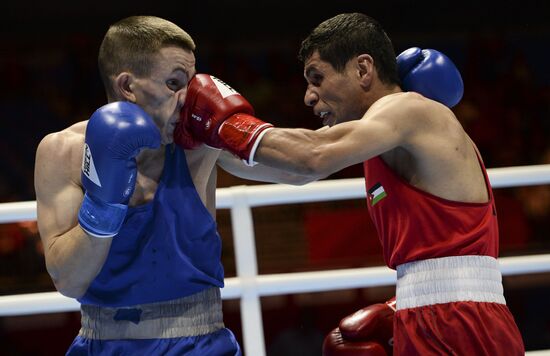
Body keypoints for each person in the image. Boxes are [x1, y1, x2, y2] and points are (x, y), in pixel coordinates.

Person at [174, 12, 525, 355]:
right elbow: (294, 170)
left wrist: (225, 124)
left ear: (362, 69)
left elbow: (312, 155)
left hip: (461, 320)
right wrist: (200, 138)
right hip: (430, 312)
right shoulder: (383, 134)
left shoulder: (411, 110)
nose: (309, 96)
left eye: (317, 78)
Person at [33, 15, 310, 355]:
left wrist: (239, 127)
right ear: (128, 86)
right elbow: (69, 281)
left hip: (200, 343)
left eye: (191, 84)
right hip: (102, 344)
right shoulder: (62, 152)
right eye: (174, 84)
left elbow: (300, 170)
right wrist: (104, 204)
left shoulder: (200, 142)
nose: (187, 98)